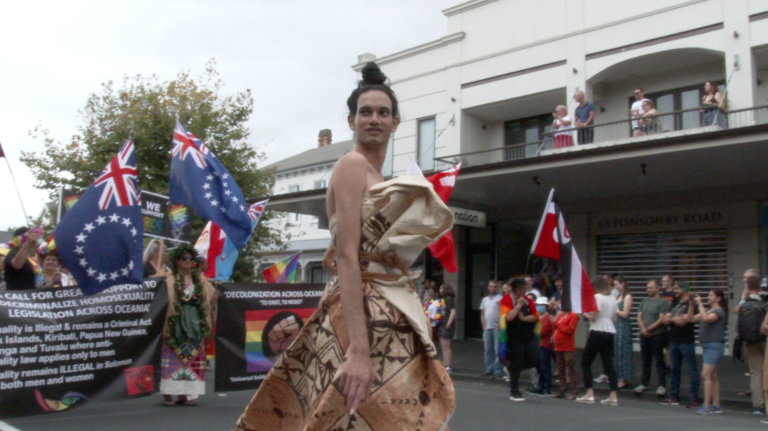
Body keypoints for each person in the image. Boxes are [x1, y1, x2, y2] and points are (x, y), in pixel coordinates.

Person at [234, 62, 455, 431]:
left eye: (383, 113)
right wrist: (358, 349)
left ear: (396, 122)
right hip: (365, 321)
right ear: (351, 121)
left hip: (385, 308)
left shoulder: (378, 176)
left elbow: (332, 254)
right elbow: (348, 257)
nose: (374, 119)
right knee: (357, 413)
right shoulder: (352, 163)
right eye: (365, 112)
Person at [160, 244, 215, 406]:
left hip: (194, 321)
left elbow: (211, 295)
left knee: (191, 358)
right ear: (176, 261)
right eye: (184, 258)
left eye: (191, 259)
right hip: (175, 321)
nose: (188, 261)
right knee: (172, 357)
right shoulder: (168, 279)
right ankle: (169, 393)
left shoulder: (199, 280)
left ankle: (186, 393)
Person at [577, 275, 619, 405]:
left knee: (586, 362)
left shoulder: (597, 298)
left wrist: (584, 313)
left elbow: (593, 317)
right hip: (610, 331)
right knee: (609, 364)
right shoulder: (612, 298)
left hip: (597, 331)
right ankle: (613, 395)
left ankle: (589, 393)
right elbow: (615, 317)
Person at [661, 281, 701, 407]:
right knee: (674, 370)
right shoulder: (674, 302)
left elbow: (685, 321)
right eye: (674, 288)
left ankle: (694, 398)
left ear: (684, 289)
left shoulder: (691, 303)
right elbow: (665, 320)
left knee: (692, 371)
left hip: (686, 341)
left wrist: (673, 319)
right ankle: (673, 396)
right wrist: (673, 319)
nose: (675, 291)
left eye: (677, 288)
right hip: (674, 341)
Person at [735, 268, 766, 416]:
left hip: (751, 341)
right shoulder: (764, 301)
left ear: (748, 286)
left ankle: (758, 405)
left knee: (755, 373)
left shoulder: (744, 304)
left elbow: (738, 316)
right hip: (765, 340)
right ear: (759, 286)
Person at [505, 278, 540, 402]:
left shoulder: (529, 301)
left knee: (536, 359)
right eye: (524, 289)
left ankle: (513, 367)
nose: (526, 291)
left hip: (528, 335)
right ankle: (514, 391)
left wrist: (524, 318)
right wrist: (518, 305)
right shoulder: (507, 300)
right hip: (514, 337)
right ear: (517, 290)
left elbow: (535, 317)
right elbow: (508, 318)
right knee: (517, 362)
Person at [692, 289, 727, 414]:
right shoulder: (707, 310)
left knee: (706, 375)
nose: (708, 297)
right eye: (708, 295)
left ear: (718, 298)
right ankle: (716, 404)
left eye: (711, 295)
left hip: (714, 346)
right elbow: (692, 318)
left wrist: (700, 304)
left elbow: (707, 319)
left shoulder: (719, 311)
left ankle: (707, 405)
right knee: (713, 376)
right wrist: (692, 305)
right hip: (707, 345)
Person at [635, 279, 669, 395]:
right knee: (645, 360)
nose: (648, 290)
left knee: (659, 359)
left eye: (651, 287)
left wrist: (649, 329)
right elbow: (639, 316)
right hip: (644, 335)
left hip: (657, 335)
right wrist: (643, 329)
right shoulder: (644, 301)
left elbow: (661, 319)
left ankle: (662, 385)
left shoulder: (663, 302)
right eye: (647, 288)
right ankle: (644, 383)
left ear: (658, 289)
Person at [553, 300, 580, 399]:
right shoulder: (560, 317)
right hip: (558, 345)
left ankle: (574, 392)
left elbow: (569, 330)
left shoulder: (573, 316)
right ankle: (562, 391)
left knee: (570, 368)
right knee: (561, 368)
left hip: (568, 346)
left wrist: (558, 325)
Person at [613, 275, 634, 389]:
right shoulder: (617, 296)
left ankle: (624, 378)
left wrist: (615, 309)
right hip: (616, 325)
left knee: (624, 352)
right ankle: (618, 376)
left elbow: (625, 314)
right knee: (617, 351)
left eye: (617, 284)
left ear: (623, 284)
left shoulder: (628, 297)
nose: (615, 287)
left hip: (624, 326)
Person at [480, 280, 504, 377]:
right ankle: (489, 368)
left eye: (494, 286)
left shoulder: (500, 298)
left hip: (496, 327)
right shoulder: (485, 299)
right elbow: (482, 314)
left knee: (497, 349)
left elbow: (503, 312)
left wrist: (499, 324)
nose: (492, 288)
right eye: (490, 286)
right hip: (487, 327)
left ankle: (498, 370)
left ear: (497, 287)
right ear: (488, 287)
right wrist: (484, 326)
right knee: (487, 350)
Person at [531, 296, 554, 396]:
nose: (539, 307)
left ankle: (546, 388)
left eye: (541, 305)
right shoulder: (538, 317)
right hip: (539, 345)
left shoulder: (548, 318)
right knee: (540, 368)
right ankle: (541, 387)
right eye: (538, 305)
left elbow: (542, 331)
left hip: (545, 345)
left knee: (545, 367)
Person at [438, 283, 457, 373]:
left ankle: (448, 365)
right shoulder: (443, 299)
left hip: (446, 324)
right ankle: (445, 364)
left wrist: (449, 323)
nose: (440, 290)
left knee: (446, 346)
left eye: (441, 288)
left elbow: (453, 311)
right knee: (443, 346)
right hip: (442, 324)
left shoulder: (449, 299)